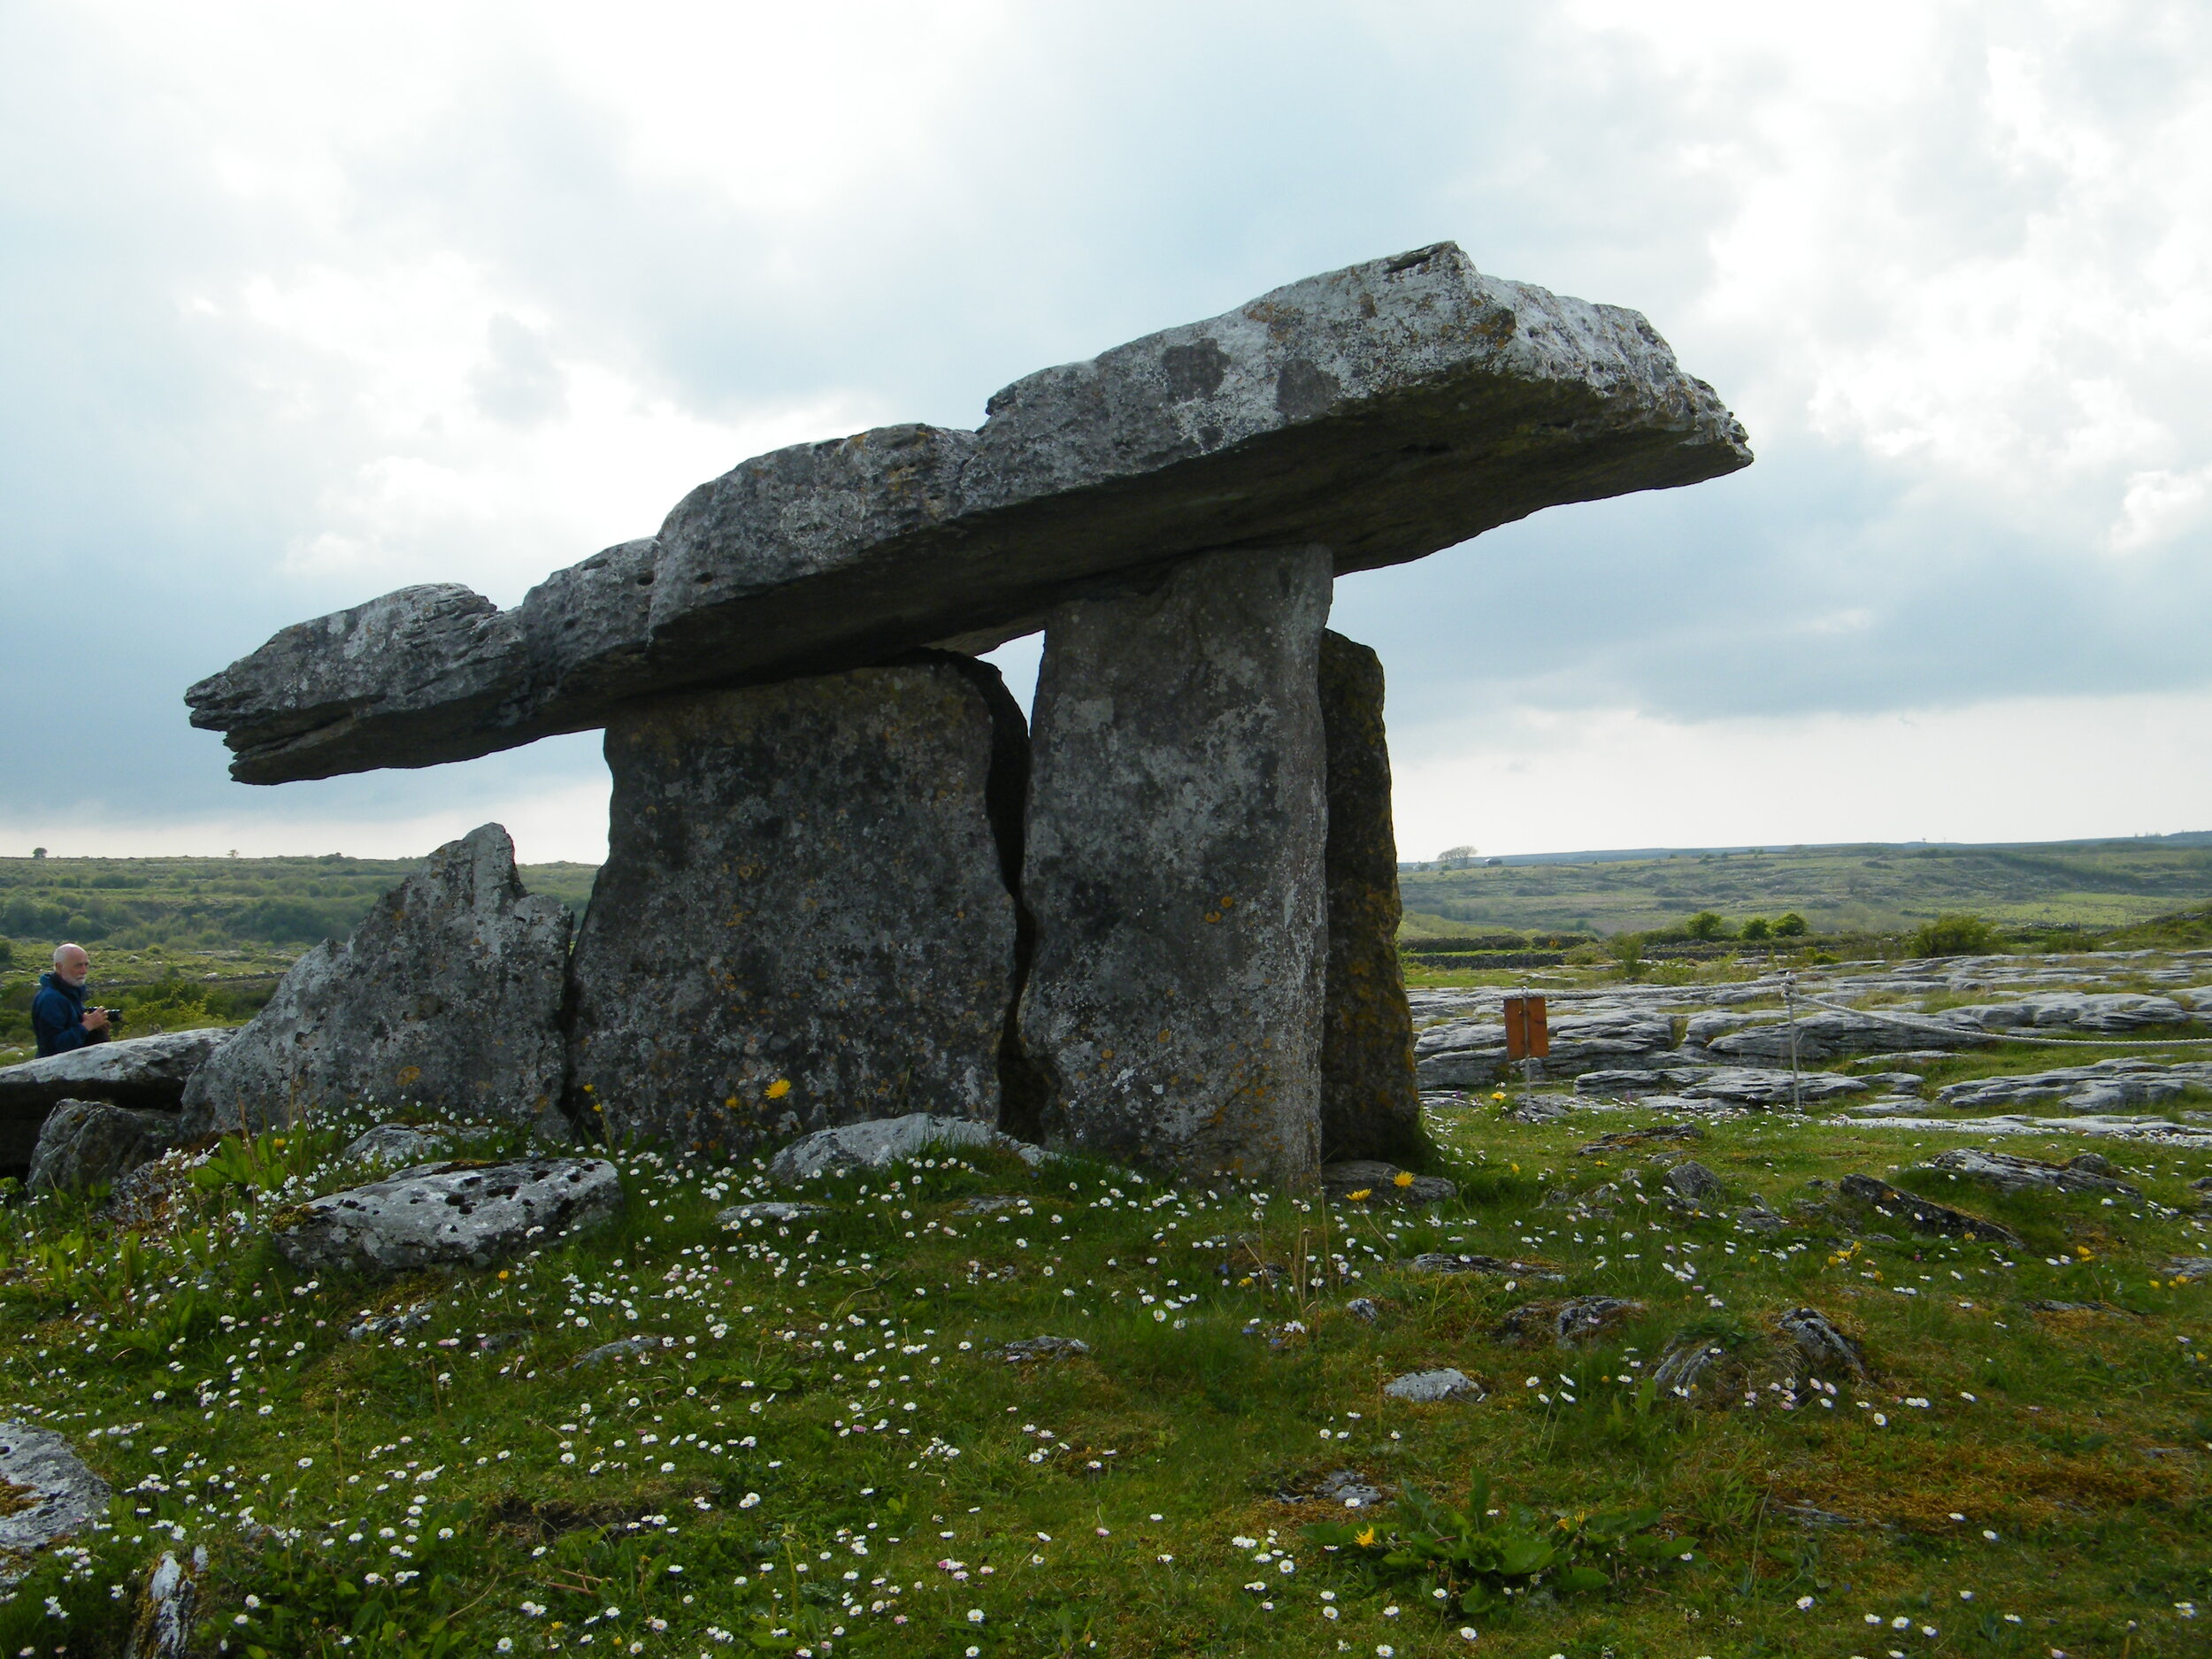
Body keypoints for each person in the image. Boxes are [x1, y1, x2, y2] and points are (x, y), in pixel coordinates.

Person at [32, 942, 113, 1058]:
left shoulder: (71, 991)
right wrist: (87, 1025)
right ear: (60, 967)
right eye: (78, 966)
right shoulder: (51, 999)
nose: (84, 971)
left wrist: (96, 1026)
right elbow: (53, 1047)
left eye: (86, 965)